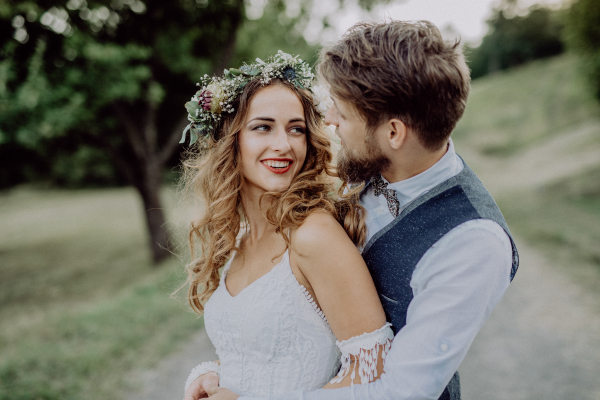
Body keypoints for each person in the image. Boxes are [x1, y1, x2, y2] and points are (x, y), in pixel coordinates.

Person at [202, 21, 519, 400]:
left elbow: (401, 392)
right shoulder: (364, 171)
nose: (329, 120)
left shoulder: (473, 242)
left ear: (394, 133)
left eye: (344, 114)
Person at [179, 51, 395, 400]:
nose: (283, 145)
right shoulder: (241, 239)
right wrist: (213, 373)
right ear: (230, 140)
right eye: (262, 127)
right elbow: (262, 354)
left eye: (296, 129)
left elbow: (374, 370)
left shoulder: (313, 236)